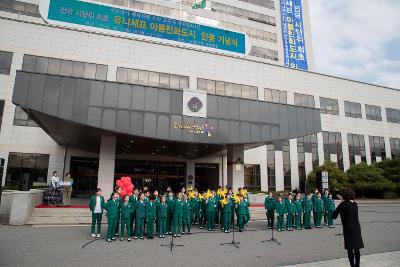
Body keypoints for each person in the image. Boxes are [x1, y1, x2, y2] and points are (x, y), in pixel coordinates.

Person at [333, 189, 364, 267]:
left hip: (348, 229)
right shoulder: (355, 204)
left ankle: (352, 266)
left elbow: (334, 216)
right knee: (357, 248)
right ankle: (357, 265)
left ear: (344, 196)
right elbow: (348, 204)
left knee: (350, 249)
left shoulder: (342, 204)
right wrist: (342, 201)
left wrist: (341, 202)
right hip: (357, 228)